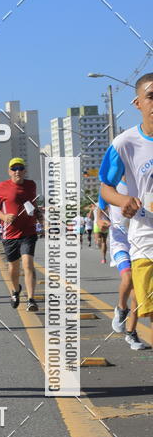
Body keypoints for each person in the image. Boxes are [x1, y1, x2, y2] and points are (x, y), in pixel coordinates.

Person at [99, 72, 153, 340]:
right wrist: (123, 201)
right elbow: (105, 187)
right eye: (151, 97)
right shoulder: (124, 144)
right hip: (144, 240)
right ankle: (126, 321)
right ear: (138, 103)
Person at [0, 157, 42, 312]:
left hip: (28, 231)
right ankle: (15, 289)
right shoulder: (2, 187)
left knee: (28, 264)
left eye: (20, 168)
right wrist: (4, 217)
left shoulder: (31, 185)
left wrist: (41, 219)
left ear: (24, 170)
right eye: (14, 168)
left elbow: (34, 205)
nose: (17, 171)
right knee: (13, 268)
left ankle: (31, 299)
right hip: (10, 233)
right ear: (9, 171)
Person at [104, 180, 150, 350]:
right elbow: (99, 211)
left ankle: (131, 331)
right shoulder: (111, 184)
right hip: (120, 242)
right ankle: (121, 308)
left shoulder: (143, 181)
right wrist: (100, 222)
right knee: (128, 276)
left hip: (140, 241)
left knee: (138, 291)